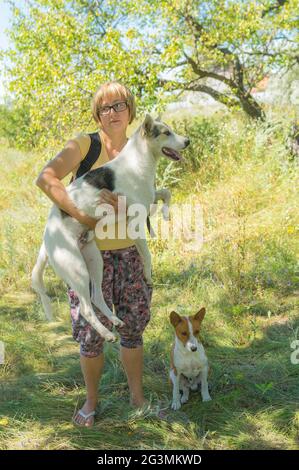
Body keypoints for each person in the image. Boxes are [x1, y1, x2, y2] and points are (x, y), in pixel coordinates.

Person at [36, 82, 153, 427]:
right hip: (87, 251)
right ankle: (90, 403)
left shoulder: (140, 148)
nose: (113, 112)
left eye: (119, 105)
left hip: (129, 253)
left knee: (133, 329)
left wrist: (129, 208)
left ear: (131, 109)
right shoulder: (85, 145)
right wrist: (84, 217)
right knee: (91, 336)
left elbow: (143, 201)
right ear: (97, 115)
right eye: (105, 108)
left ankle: (137, 399)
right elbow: (46, 178)